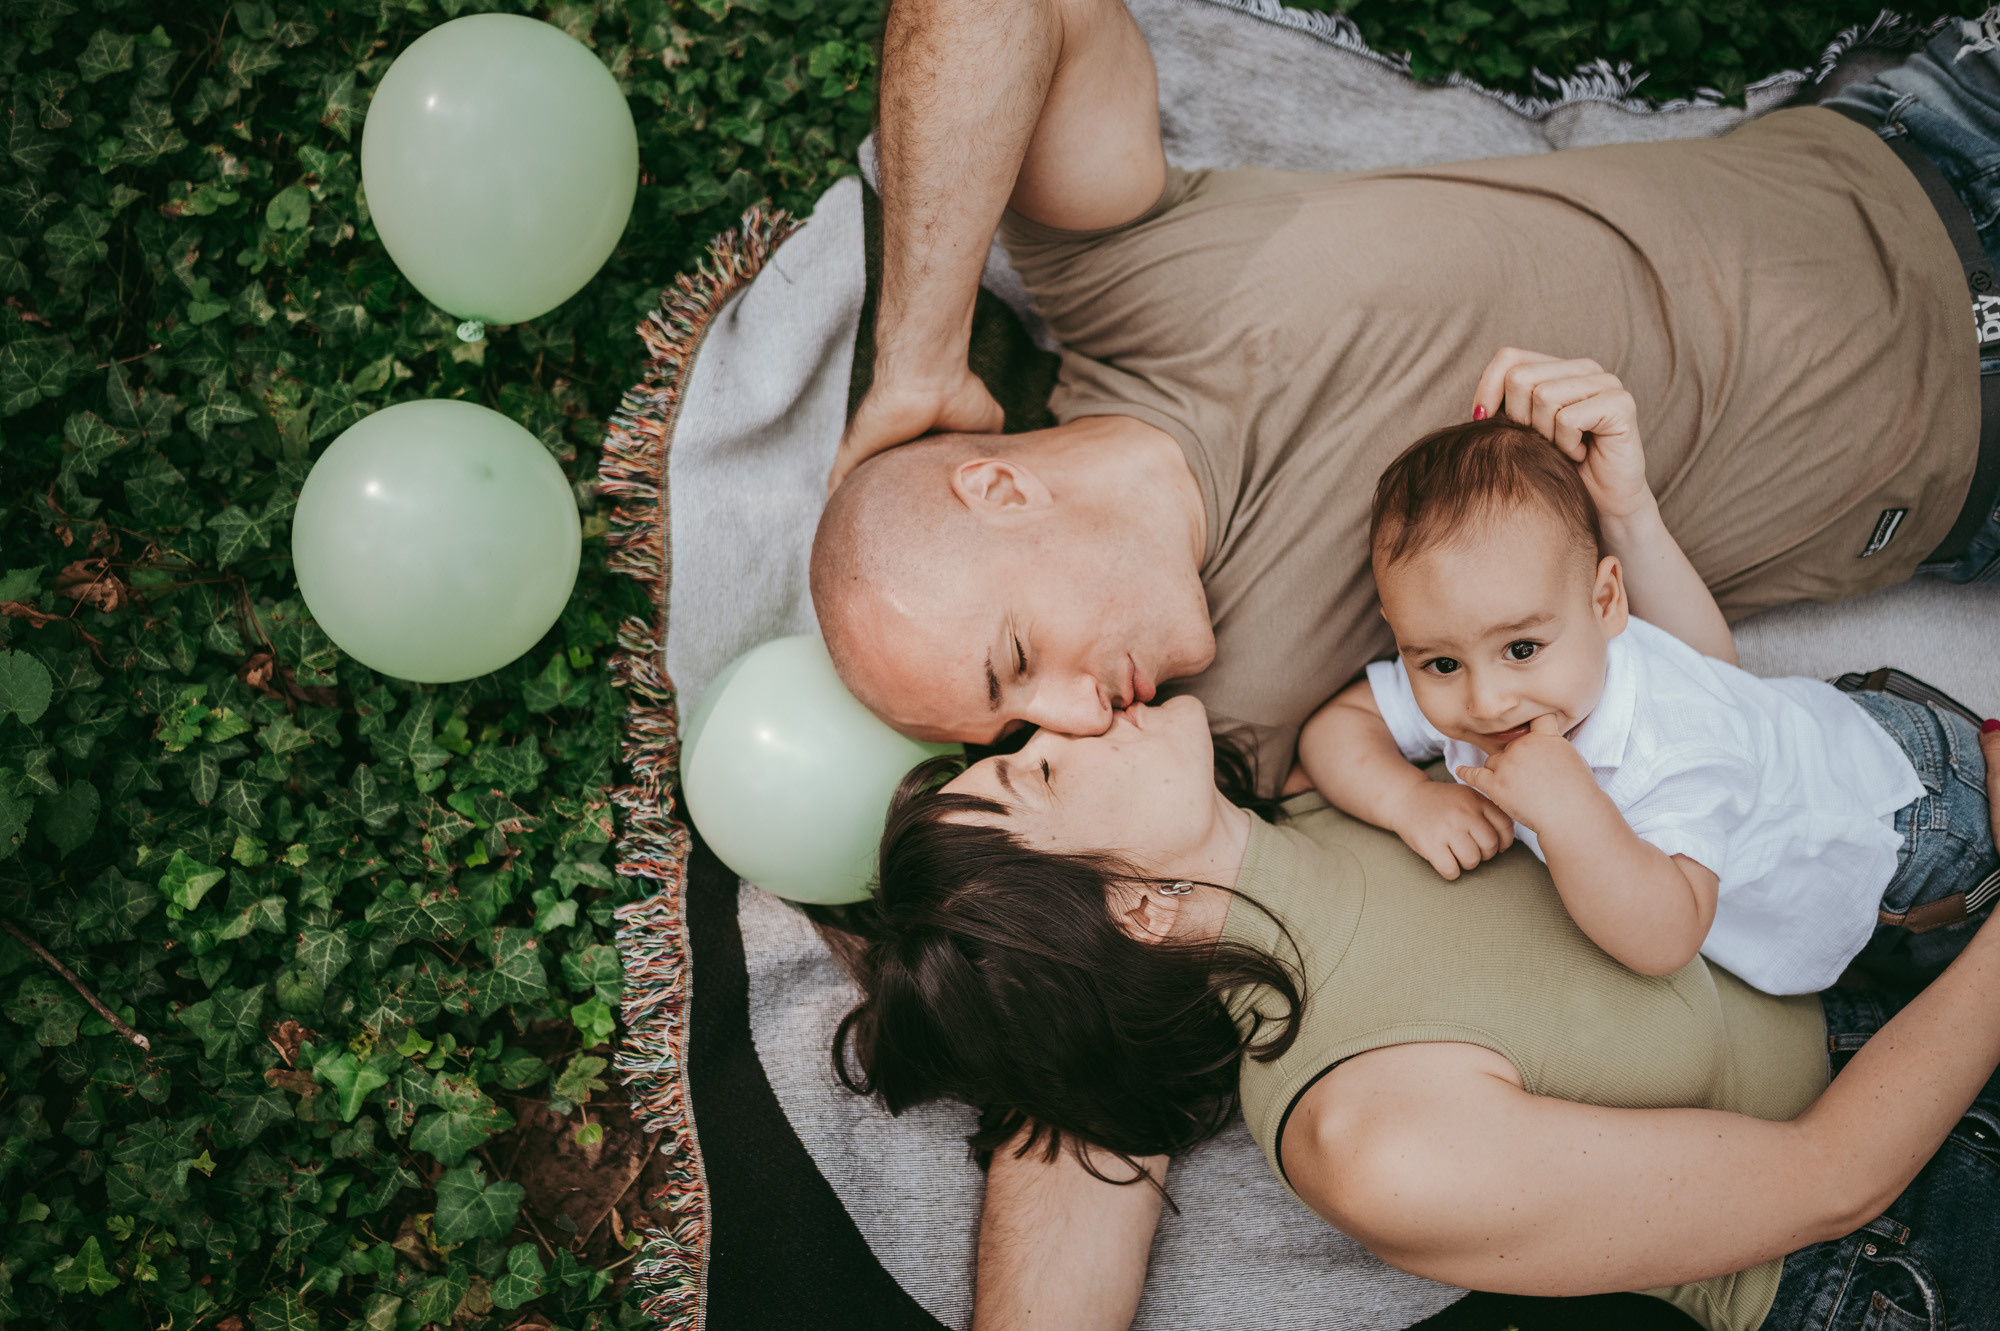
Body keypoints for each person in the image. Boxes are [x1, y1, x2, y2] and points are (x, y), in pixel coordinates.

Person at [810, 0, 1998, 795]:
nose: (1067, 720)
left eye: (1015, 659)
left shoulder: (1113, 284)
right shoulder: (1235, 726)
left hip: (1935, 135)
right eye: (1015, 730)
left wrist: (916, 356)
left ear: (1000, 482)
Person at [836, 699, 2000, 1331]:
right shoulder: (1370, 1137)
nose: (1055, 720)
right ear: (1136, 909)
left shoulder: (1326, 792)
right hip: (1891, 1236)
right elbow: (1832, 1177)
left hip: (1858, 991)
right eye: (1035, 775)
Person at [1300, 358, 1998, 995]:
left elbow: (1668, 934)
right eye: (1440, 662)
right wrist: (1407, 803)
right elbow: (1337, 728)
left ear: (1606, 602)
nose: (1485, 701)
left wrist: (1573, 809)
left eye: (1522, 649)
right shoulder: (1488, 686)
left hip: (1912, 831)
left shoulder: (1672, 746)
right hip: (1795, 742)